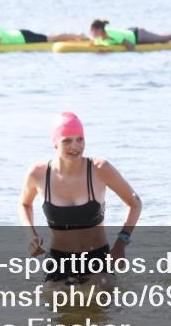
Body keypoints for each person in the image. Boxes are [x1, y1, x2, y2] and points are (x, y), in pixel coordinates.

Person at [19, 112, 142, 286]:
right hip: (58, 261)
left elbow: (134, 202)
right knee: (55, 306)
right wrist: (31, 235)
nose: (75, 146)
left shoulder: (100, 169)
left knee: (101, 299)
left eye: (80, 139)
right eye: (67, 140)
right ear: (55, 143)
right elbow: (24, 204)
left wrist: (121, 244)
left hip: (97, 260)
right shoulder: (38, 174)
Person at [0, 12, 85, 52]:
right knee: (51, 37)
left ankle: (79, 36)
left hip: (23, 37)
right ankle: (74, 36)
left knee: (52, 39)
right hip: (17, 35)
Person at [89, 19, 171, 52]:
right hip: (132, 33)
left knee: (164, 39)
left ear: (99, 30)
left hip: (139, 36)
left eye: (93, 31)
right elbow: (96, 44)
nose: (91, 33)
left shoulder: (111, 34)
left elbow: (131, 46)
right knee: (163, 39)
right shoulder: (100, 37)